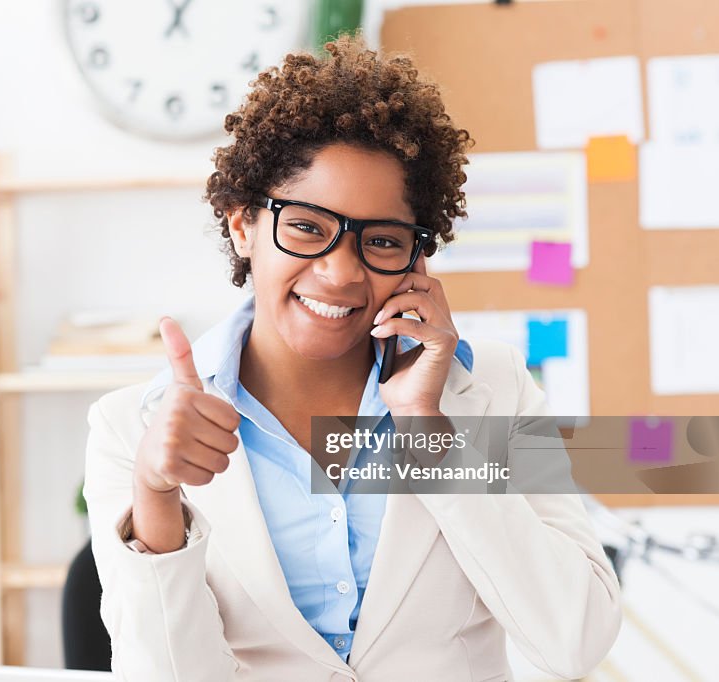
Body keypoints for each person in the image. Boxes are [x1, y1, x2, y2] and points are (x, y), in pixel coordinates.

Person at [83, 32, 622, 682]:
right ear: (242, 224)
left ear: (418, 257)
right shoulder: (130, 429)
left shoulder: (496, 389)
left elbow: (576, 640)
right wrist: (156, 496)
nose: (341, 274)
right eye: (307, 226)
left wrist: (430, 433)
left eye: (382, 240)